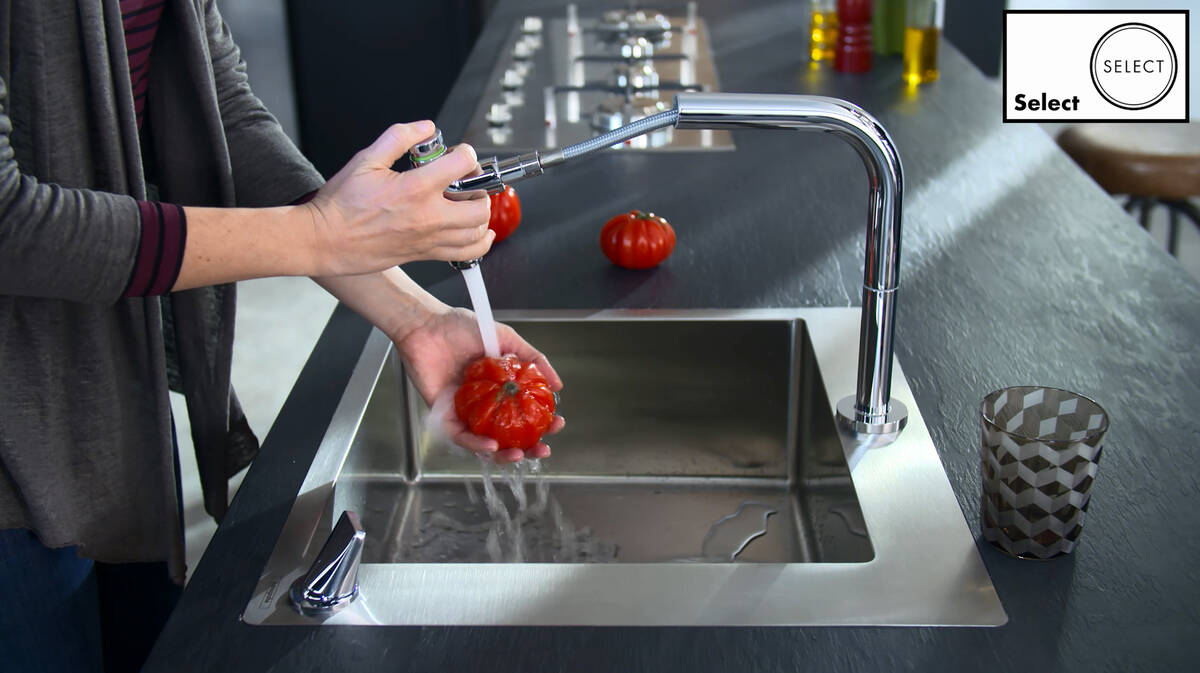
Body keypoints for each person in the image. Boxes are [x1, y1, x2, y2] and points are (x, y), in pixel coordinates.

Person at [0, 1, 563, 672]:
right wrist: (322, 235)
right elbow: (11, 224)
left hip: (100, 389)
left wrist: (415, 316)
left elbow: (225, 116)